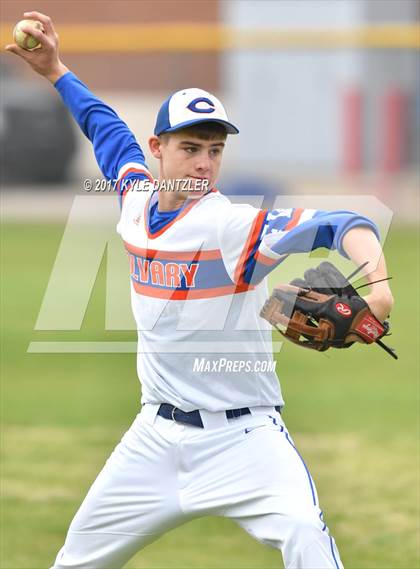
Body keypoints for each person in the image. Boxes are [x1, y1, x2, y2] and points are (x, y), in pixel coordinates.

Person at [6, 12, 394, 569]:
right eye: (191, 147)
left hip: (246, 439)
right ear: (157, 148)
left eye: (215, 150)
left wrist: (379, 287)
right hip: (154, 439)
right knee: (74, 561)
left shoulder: (231, 226)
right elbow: (105, 129)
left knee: (307, 539)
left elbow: (341, 223)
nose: (205, 163)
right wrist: (56, 70)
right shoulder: (136, 202)